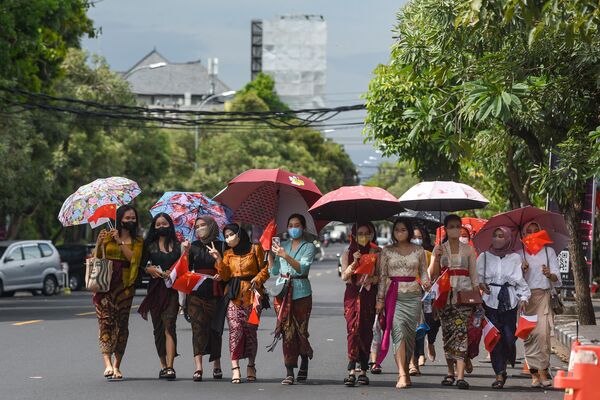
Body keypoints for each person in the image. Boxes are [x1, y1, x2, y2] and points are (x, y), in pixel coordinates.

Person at [210, 223, 269, 384]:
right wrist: (219, 259)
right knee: (234, 330)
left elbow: (266, 269)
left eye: (231, 234)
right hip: (234, 296)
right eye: (226, 236)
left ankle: (251, 365)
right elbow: (225, 276)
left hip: (253, 296)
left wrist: (258, 279)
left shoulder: (255, 249)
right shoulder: (228, 254)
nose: (228, 238)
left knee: (251, 331)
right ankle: (235, 368)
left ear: (239, 234)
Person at [375, 218, 430, 389]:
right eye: (397, 230)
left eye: (403, 230)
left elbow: (423, 272)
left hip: (413, 296)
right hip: (394, 296)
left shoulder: (419, 250)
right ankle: (402, 374)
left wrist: (427, 283)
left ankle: (407, 367)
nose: (400, 233)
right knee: (398, 332)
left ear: (409, 232)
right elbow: (383, 277)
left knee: (410, 336)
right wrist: (380, 299)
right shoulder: (387, 251)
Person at [94, 205, 144, 380]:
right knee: (105, 322)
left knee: (122, 324)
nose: (130, 221)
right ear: (120, 219)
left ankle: (117, 365)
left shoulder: (138, 241)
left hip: (125, 286)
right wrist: (100, 243)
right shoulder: (107, 235)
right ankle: (107, 363)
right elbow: (99, 258)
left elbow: (134, 260)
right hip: (105, 284)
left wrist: (120, 242)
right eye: (127, 218)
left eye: (133, 218)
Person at [477, 226, 531, 389]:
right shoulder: (484, 257)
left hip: (509, 301)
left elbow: (520, 282)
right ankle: (499, 373)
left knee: (508, 337)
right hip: (490, 301)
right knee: (495, 338)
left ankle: (508, 356)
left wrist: (523, 298)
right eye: (495, 236)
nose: (498, 239)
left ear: (508, 239)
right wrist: (481, 285)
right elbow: (477, 278)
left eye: (502, 236)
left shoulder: (515, 257)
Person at [429, 214, 478, 390]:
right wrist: (436, 257)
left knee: (461, 333)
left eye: (458, 226)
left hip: (464, 297)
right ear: (445, 228)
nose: (455, 229)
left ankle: (460, 376)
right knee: (447, 335)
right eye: (451, 226)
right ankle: (450, 372)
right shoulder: (439, 249)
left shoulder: (469, 250)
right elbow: (433, 275)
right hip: (444, 297)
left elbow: (474, 276)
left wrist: (477, 298)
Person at [268, 214, 316, 385]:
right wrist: (270, 253)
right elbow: (273, 271)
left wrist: (286, 256)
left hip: (301, 292)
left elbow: (302, 269)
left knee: (300, 331)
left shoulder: (309, 246)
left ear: (303, 227)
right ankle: (289, 371)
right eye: (290, 225)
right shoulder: (283, 245)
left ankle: (304, 359)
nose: (293, 228)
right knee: (287, 331)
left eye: (297, 225)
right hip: (282, 292)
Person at [183, 216, 226, 382]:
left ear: (211, 226)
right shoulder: (193, 246)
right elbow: (185, 269)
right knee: (197, 328)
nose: (200, 228)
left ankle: (217, 364)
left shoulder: (222, 245)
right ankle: (198, 367)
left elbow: (227, 270)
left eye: (203, 225)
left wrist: (220, 270)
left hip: (216, 291)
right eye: (197, 226)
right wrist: (185, 252)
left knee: (215, 329)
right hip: (196, 291)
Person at [138, 213, 181, 380]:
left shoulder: (178, 245)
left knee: (170, 325)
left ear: (170, 225)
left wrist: (174, 270)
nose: (161, 227)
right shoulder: (149, 245)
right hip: (155, 290)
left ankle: (171, 367)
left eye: (164, 224)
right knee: (158, 329)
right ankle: (163, 365)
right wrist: (149, 270)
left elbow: (184, 266)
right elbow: (142, 265)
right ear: (154, 227)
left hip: (172, 290)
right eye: (158, 224)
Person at [519, 221, 561, 387]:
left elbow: (557, 278)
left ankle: (543, 372)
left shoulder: (548, 251)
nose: (532, 234)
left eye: (535, 231)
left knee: (543, 335)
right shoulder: (520, 253)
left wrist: (549, 274)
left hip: (543, 296)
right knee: (529, 336)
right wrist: (521, 269)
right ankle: (534, 374)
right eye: (528, 231)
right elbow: (514, 279)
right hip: (525, 298)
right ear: (523, 235)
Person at [340, 222, 380, 387]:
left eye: (366, 233)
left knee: (365, 330)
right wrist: (354, 263)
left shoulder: (377, 253)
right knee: (352, 330)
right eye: (360, 233)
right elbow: (344, 277)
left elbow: (381, 276)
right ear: (354, 236)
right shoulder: (347, 253)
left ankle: (363, 370)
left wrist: (372, 278)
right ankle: (351, 370)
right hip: (352, 295)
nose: (363, 236)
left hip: (368, 296)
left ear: (371, 235)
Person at [409, 225, 433, 374]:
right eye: (414, 237)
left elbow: (432, 275)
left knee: (421, 328)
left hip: (425, 297)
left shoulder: (429, 255)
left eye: (419, 237)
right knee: (410, 330)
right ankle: (413, 362)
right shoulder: (403, 254)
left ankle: (422, 353)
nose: (417, 240)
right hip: (407, 296)